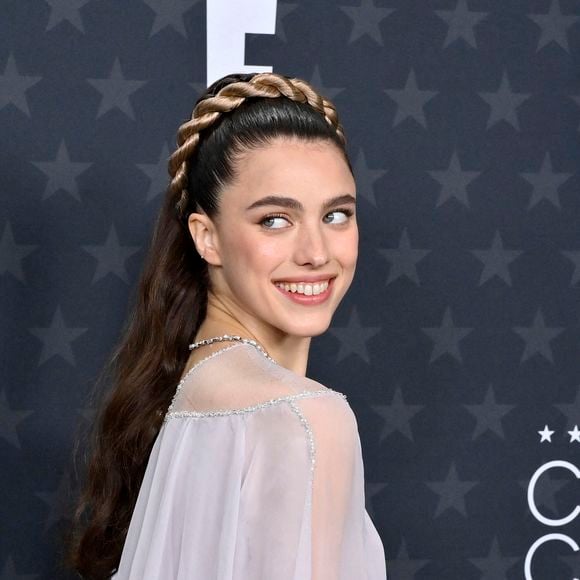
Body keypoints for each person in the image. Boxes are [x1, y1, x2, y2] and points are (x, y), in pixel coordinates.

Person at [63, 72, 387, 579]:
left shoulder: (192, 389)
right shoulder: (307, 420)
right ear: (206, 237)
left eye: (337, 215)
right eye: (274, 220)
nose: (317, 253)